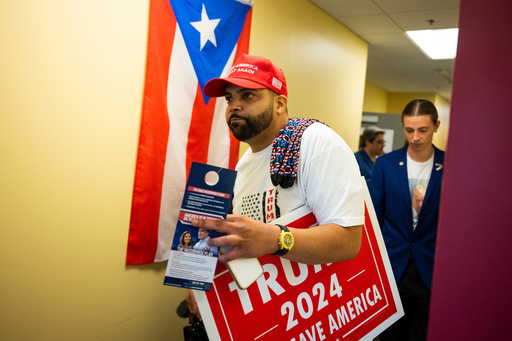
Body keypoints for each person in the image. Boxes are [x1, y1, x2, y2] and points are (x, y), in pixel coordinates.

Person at [186, 53, 365, 317]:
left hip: (316, 312)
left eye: (248, 95)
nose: (234, 105)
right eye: (229, 98)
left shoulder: (317, 142)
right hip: (268, 315)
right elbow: (245, 244)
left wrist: (275, 239)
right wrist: (201, 278)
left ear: (280, 103)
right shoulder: (243, 166)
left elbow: (349, 242)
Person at [369, 99, 444, 341]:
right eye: (409, 130)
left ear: (436, 126)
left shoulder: (450, 165)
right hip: (394, 267)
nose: (415, 137)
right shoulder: (386, 165)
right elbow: (374, 217)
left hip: (430, 269)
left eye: (423, 130)